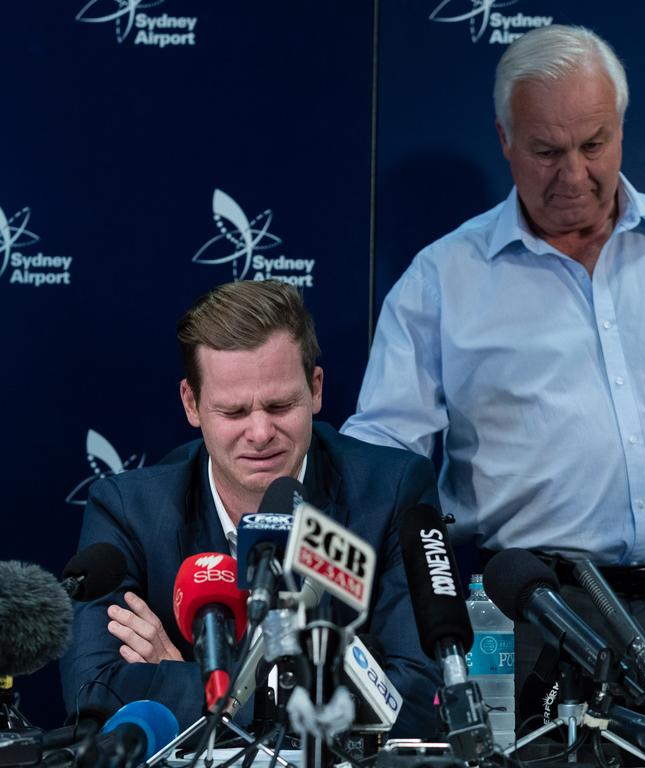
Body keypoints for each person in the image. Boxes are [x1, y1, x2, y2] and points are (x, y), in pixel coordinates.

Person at [342, 25, 645, 730]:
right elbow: (383, 469)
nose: (574, 174)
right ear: (506, 140)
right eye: (545, 151)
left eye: (594, 144)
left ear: (622, 129)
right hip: (539, 627)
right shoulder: (441, 282)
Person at [60, 279, 442, 737]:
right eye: (235, 412)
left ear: (316, 389)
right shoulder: (129, 511)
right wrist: (297, 692)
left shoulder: (394, 491)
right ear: (192, 403)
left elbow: (418, 699)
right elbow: (93, 694)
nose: (260, 433)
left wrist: (198, 680)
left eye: (280, 405)